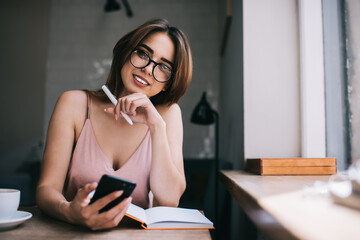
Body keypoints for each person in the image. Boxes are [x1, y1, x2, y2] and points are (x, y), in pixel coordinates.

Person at [36, 18, 193, 230]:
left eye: (164, 67)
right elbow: (46, 188)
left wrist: (156, 126)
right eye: (143, 54)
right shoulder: (74, 104)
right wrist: (70, 212)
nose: (148, 69)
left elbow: (170, 200)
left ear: (168, 84)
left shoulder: (168, 115)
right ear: (125, 54)